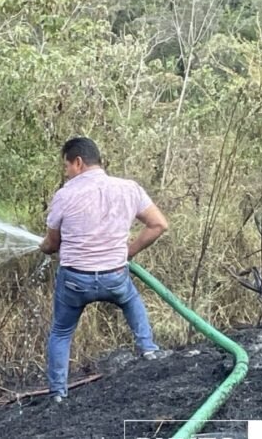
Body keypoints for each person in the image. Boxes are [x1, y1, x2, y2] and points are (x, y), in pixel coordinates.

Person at [38, 136, 169, 402]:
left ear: (78, 162)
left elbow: (52, 244)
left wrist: (43, 247)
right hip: (114, 275)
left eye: (66, 167)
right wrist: (127, 252)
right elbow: (158, 225)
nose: (66, 173)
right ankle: (148, 349)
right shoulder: (129, 188)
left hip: (75, 281)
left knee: (62, 332)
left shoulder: (65, 194)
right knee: (131, 300)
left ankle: (58, 394)